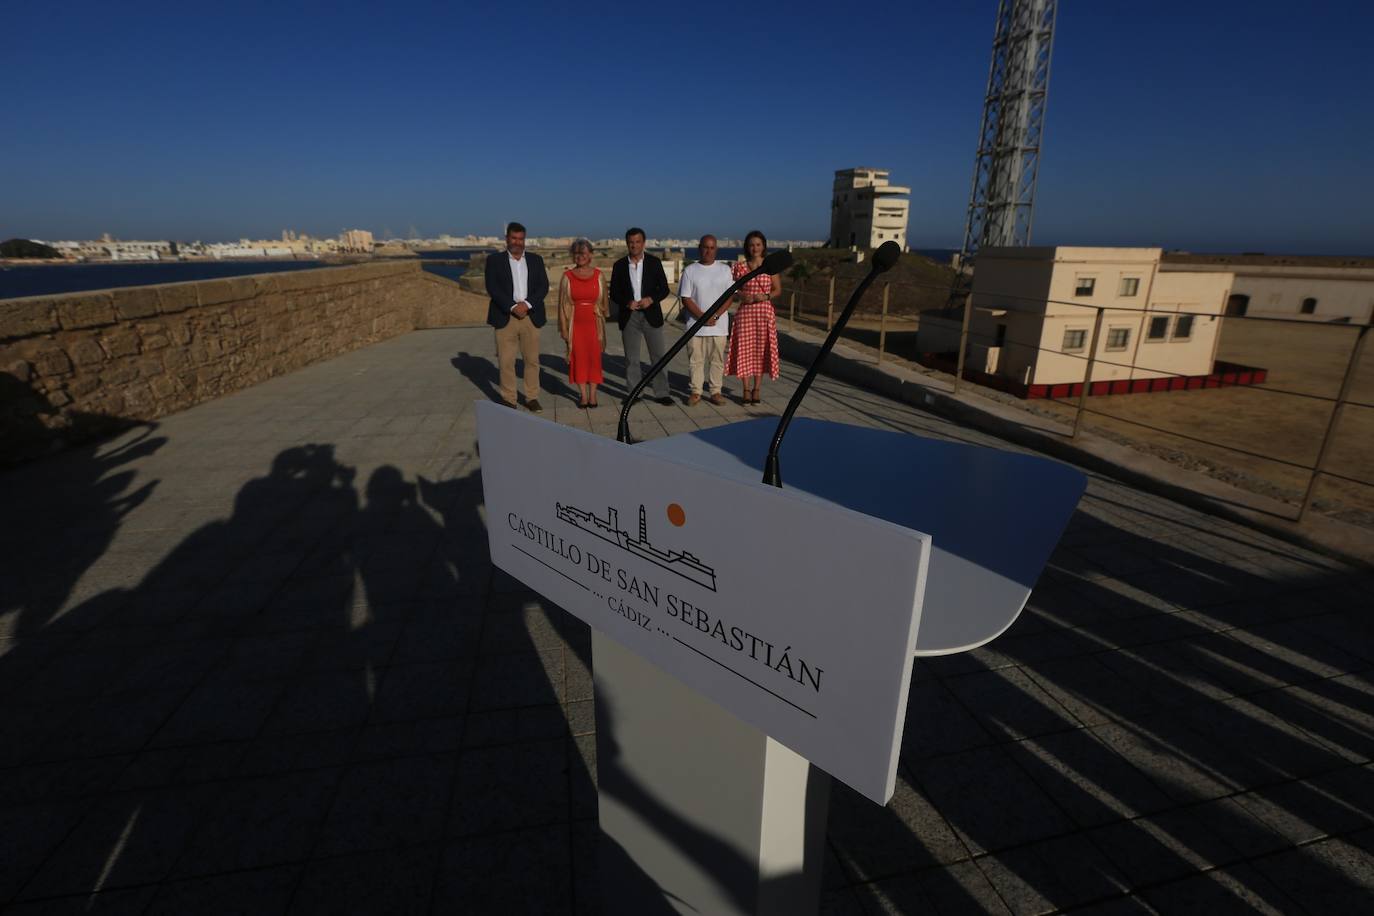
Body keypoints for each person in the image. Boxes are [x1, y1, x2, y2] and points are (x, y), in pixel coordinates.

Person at [485, 221, 549, 411]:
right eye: (514, 238)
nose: (517, 242)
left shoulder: (536, 260)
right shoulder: (494, 261)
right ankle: (509, 398)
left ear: (524, 240)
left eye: (521, 239)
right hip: (505, 317)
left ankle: (531, 397)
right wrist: (513, 306)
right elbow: (493, 288)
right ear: (507, 239)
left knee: (531, 360)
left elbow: (542, 287)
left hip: (531, 316)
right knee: (506, 361)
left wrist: (527, 304)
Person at [609, 227, 673, 405]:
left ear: (643, 243)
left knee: (658, 356)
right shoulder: (619, 265)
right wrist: (626, 302)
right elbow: (614, 292)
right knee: (631, 358)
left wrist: (651, 299)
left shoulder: (654, 263)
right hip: (630, 316)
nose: (634, 245)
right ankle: (634, 393)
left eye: (637, 242)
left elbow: (665, 289)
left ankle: (662, 393)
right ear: (627, 243)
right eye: (631, 242)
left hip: (651, 315)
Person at [726, 230, 781, 404]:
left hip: (764, 313)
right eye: (751, 244)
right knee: (744, 350)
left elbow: (778, 290)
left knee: (761, 350)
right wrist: (742, 296)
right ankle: (746, 389)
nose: (755, 248)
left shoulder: (771, 266)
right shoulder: (739, 267)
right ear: (746, 247)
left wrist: (765, 296)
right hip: (746, 313)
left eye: (758, 244)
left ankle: (757, 389)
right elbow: (733, 289)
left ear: (763, 246)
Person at [678, 234, 734, 405]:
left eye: (711, 248)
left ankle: (715, 391)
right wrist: (702, 318)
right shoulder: (690, 271)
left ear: (716, 249)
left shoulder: (725, 270)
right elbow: (686, 298)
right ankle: (696, 391)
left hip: (719, 326)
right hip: (695, 326)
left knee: (717, 360)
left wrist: (715, 316)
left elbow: (730, 296)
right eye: (705, 247)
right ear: (699, 248)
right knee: (696, 360)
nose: (708, 251)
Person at [557, 238, 608, 408]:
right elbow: (562, 305)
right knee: (577, 358)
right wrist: (563, 328)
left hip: (594, 324)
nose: (580, 257)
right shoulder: (567, 277)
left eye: (583, 253)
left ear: (591, 255)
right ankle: (583, 396)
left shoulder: (599, 275)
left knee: (594, 359)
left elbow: (604, 303)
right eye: (577, 254)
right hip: (575, 323)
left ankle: (593, 395)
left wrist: (601, 314)